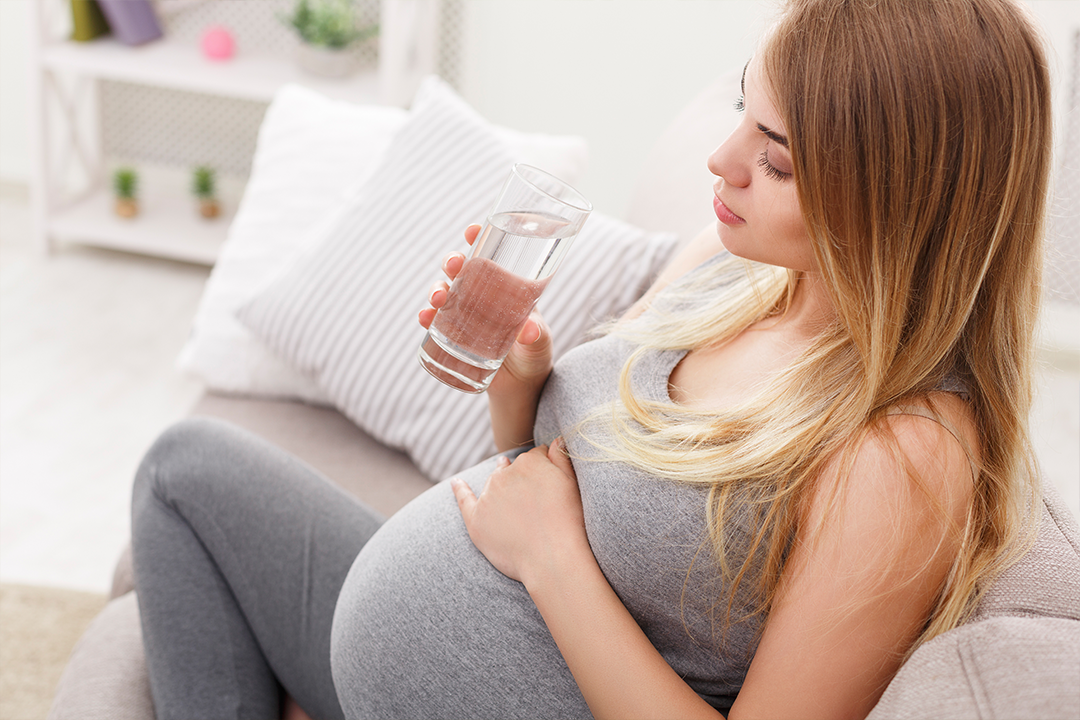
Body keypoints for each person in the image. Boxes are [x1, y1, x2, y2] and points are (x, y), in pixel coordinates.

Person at [130, 0, 1053, 717]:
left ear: (899, 198)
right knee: (183, 471)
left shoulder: (903, 452)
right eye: (743, 112)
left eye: (776, 161)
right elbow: (536, 464)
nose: (722, 162)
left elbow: (552, 528)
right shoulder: (729, 268)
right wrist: (519, 378)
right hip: (426, 646)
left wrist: (554, 562)